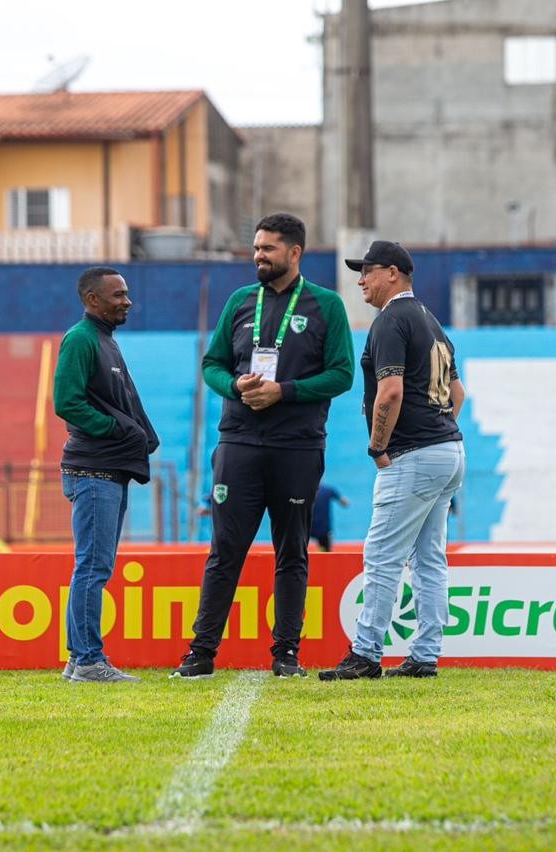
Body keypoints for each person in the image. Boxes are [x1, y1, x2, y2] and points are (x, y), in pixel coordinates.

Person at [172, 213, 355, 679]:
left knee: (291, 551)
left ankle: (286, 653)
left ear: (294, 253)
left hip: (297, 446)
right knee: (224, 550)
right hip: (238, 442)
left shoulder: (327, 305)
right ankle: (200, 653)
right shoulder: (239, 302)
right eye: (256, 248)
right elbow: (212, 364)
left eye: (268, 248)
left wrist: (284, 391)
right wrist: (235, 386)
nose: (258, 256)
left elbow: (342, 374)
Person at [320, 241, 466, 681]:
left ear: (393, 273)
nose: (361, 280)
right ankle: (426, 655)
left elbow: (390, 391)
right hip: (448, 449)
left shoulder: (390, 320)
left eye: (367, 271)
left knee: (382, 556)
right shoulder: (431, 321)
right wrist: (438, 431)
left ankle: (365, 654)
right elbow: (457, 393)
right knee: (429, 559)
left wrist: (378, 447)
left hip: (413, 454)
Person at [53, 266, 159, 683]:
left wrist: (140, 434)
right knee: (92, 567)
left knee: (94, 567)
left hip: (108, 469)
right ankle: (88, 660)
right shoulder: (80, 339)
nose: (127, 301)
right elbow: (67, 402)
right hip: (93, 469)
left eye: (127, 293)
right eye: (118, 295)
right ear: (92, 300)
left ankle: (77, 660)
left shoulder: (105, 340)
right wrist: (116, 430)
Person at [310, 483, 350, 552]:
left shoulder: (306, 491)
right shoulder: (328, 490)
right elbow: (345, 503)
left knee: (302, 551)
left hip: (308, 528)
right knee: (326, 552)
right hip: (323, 529)